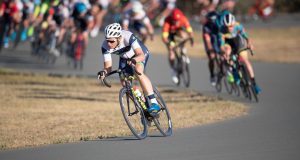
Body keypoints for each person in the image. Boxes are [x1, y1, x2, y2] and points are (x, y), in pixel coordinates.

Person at [97, 23, 160, 116]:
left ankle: (154, 102)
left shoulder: (128, 36)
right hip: (125, 59)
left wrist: (134, 60)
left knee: (138, 71)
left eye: (111, 41)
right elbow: (108, 67)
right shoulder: (105, 46)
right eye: (107, 41)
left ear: (118, 38)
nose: (109, 44)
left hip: (139, 54)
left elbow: (141, 55)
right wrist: (104, 72)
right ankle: (143, 107)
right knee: (125, 84)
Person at [219, 13, 261, 94]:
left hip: (238, 42)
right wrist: (224, 52)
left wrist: (249, 44)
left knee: (246, 62)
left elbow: (246, 37)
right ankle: (234, 71)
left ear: (234, 23)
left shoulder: (238, 26)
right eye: (227, 26)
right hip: (228, 44)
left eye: (231, 26)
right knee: (228, 52)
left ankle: (254, 84)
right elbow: (221, 45)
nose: (229, 28)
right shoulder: (222, 30)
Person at [162, 8, 194, 84]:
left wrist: (191, 38)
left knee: (184, 35)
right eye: (174, 21)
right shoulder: (167, 21)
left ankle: (183, 51)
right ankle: (173, 70)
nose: (176, 22)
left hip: (179, 31)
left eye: (177, 21)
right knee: (171, 51)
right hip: (170, 35)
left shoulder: (183, 19)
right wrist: (169, 43)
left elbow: (190, 31)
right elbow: (164, 37)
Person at [202, 11, 221, 86]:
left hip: (218, 40)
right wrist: (210, 49)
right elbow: (207, 40)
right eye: (211, 20)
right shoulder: (206, 27)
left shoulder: (219, 23)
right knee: (212, 57)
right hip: (210, 41)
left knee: (223, 55)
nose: (212, 22)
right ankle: (212, 74)